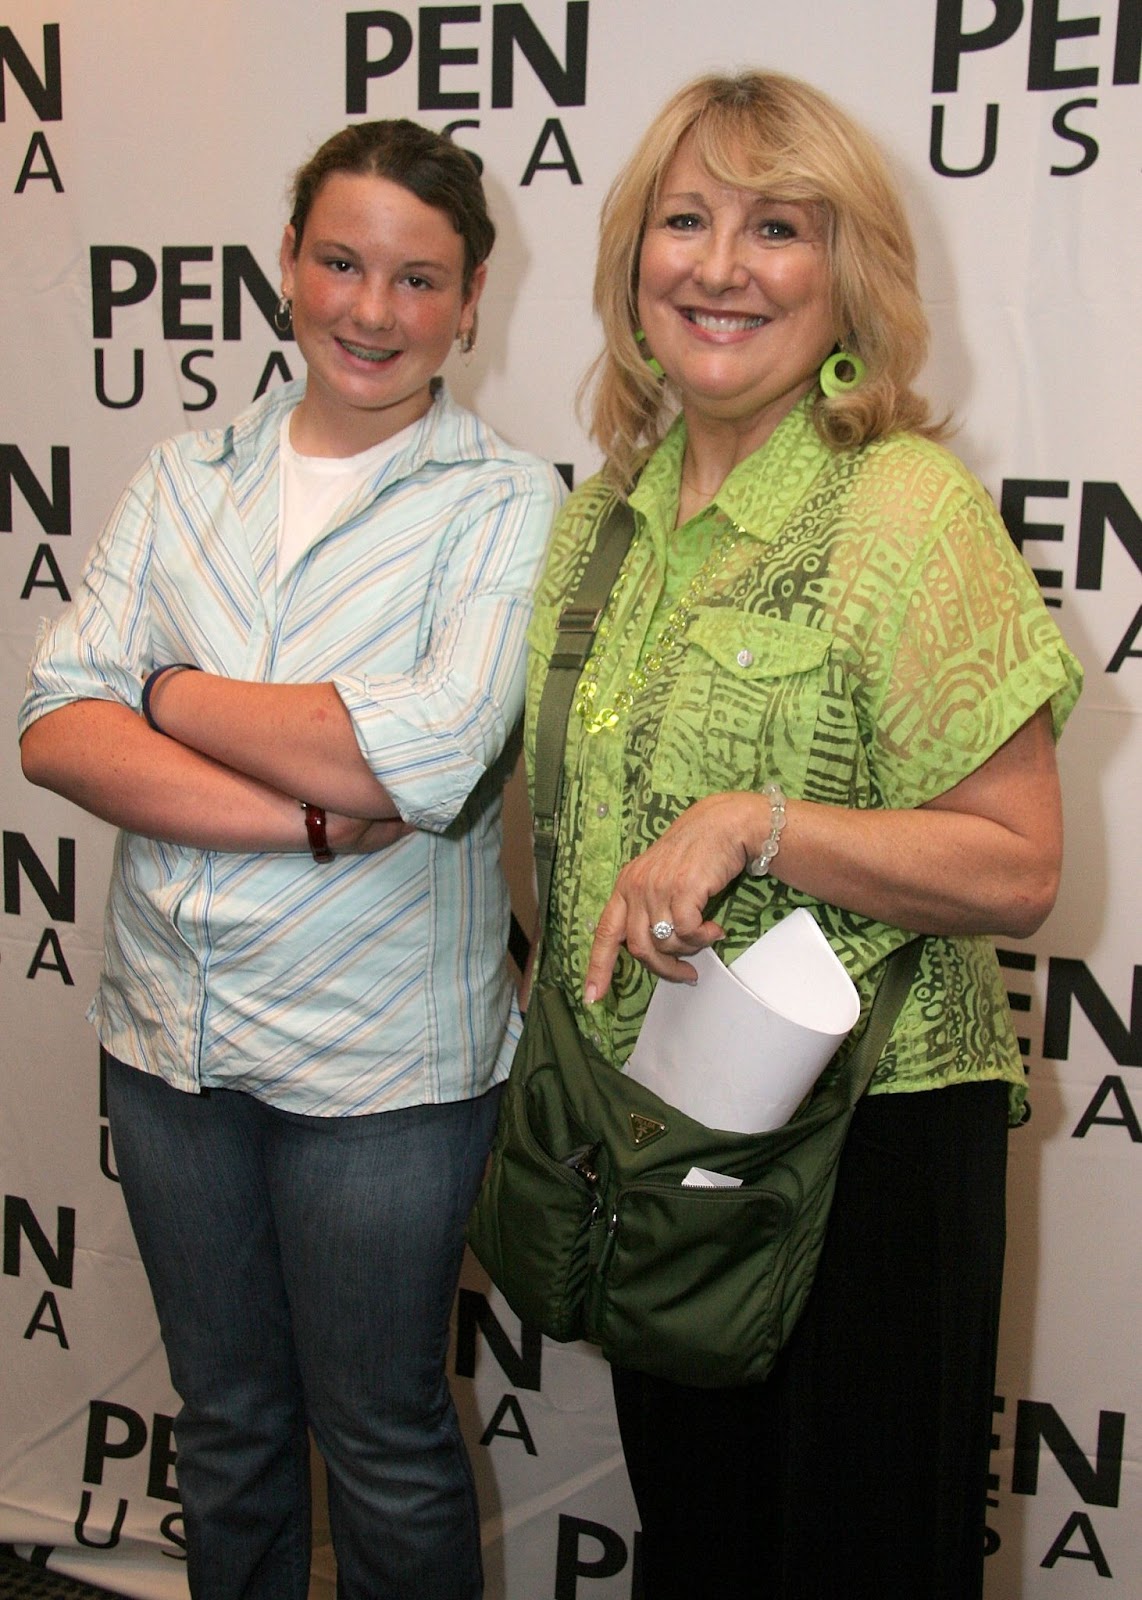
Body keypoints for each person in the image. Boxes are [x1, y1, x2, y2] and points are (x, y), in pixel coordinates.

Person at [523, 72, 1082, 1599]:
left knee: (854, 1564)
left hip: (869, 1146)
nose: (717, 264)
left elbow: (1018, 863)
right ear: (631, 263)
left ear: (844, 276)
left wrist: (755, 823)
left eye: (776, 227)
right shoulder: (601, 521)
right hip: (670, 1134)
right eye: (682, 220)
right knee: (699, 1553)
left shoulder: (905, 511)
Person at [19, 119, 562, 1600]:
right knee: (230, 1424)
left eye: (414, 278)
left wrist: (173, 693)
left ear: (469, 302)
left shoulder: (506, 503)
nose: (368, 309)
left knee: (382, 1439)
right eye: (339, 261)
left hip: (381, 1078)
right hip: (167, 1044)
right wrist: (309, 810)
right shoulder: (183, 473)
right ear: (287, 264)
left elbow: (432, 757)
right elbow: (54, 724)